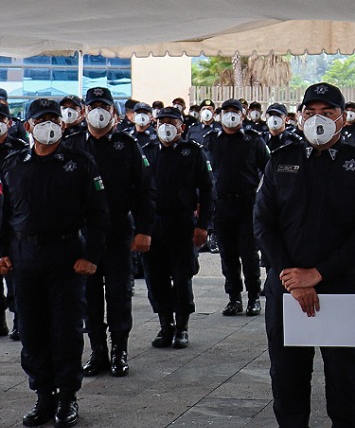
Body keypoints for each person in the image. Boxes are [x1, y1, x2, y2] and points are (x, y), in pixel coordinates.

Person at [253, 82, 355, 428]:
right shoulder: (280, 161)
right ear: (300, 115)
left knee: (348, 381)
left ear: (345, 117)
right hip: (287, 292)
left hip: (341, 291)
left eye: (329, 110)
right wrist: (292, 277)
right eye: (311, 110)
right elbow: (263, 224)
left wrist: (318, 275)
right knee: (288, 380)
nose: (319, 118)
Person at [0, 98, 110, 428]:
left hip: (66, 258)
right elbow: (5, 217)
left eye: (54, 118)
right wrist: (2, 252)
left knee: (65, 330)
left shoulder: (80, 162)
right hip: (26, 259)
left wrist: (91, 256)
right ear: (28, 125)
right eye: (41, 119)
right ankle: (43, 396)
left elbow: (98, 214)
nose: (49, 124)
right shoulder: (14, 164)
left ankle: (67, 398)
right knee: (32, 331)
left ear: (62, 124)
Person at [78, 87, 156, 377]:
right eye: (93, 105)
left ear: (115, 113)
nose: (98, 112)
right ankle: (97, 351)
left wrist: (145, 230)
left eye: (104, 106)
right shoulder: (74, 145)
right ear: (85, 111)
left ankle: (118, 351)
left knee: (119, 293)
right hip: (85, 234)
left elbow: (145, 189)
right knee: (89, 295)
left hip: (119, 230)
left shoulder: (127, 145)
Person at [141, 107, 212, 349]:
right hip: (152, 225)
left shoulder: (192, 152)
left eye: (172, 121)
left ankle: (182, 326)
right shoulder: (146, 152)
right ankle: (165, 325)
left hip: (182, 224)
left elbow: (207, 190)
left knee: (182, 278)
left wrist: (203, 226)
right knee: (155, 278)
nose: (166, 126)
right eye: (161, 121)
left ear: (182, 126)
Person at [205, 99, 270, 317]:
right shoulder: (211, 140)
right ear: (219, 115)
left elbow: (268, 170)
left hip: (247, 204)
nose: (230, 116)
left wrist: (262, 198)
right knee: (227, 254)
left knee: (249, 254)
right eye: (226, 112)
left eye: (235, 112)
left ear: (243, 115)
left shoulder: (253, 140)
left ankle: (253, 297)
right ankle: (234, 298)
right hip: (222, 205)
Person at [0, 104, 27, 339]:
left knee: (14, 274)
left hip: (11, 219)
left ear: (9, 123)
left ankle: (20, 320)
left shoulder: (18, 150)